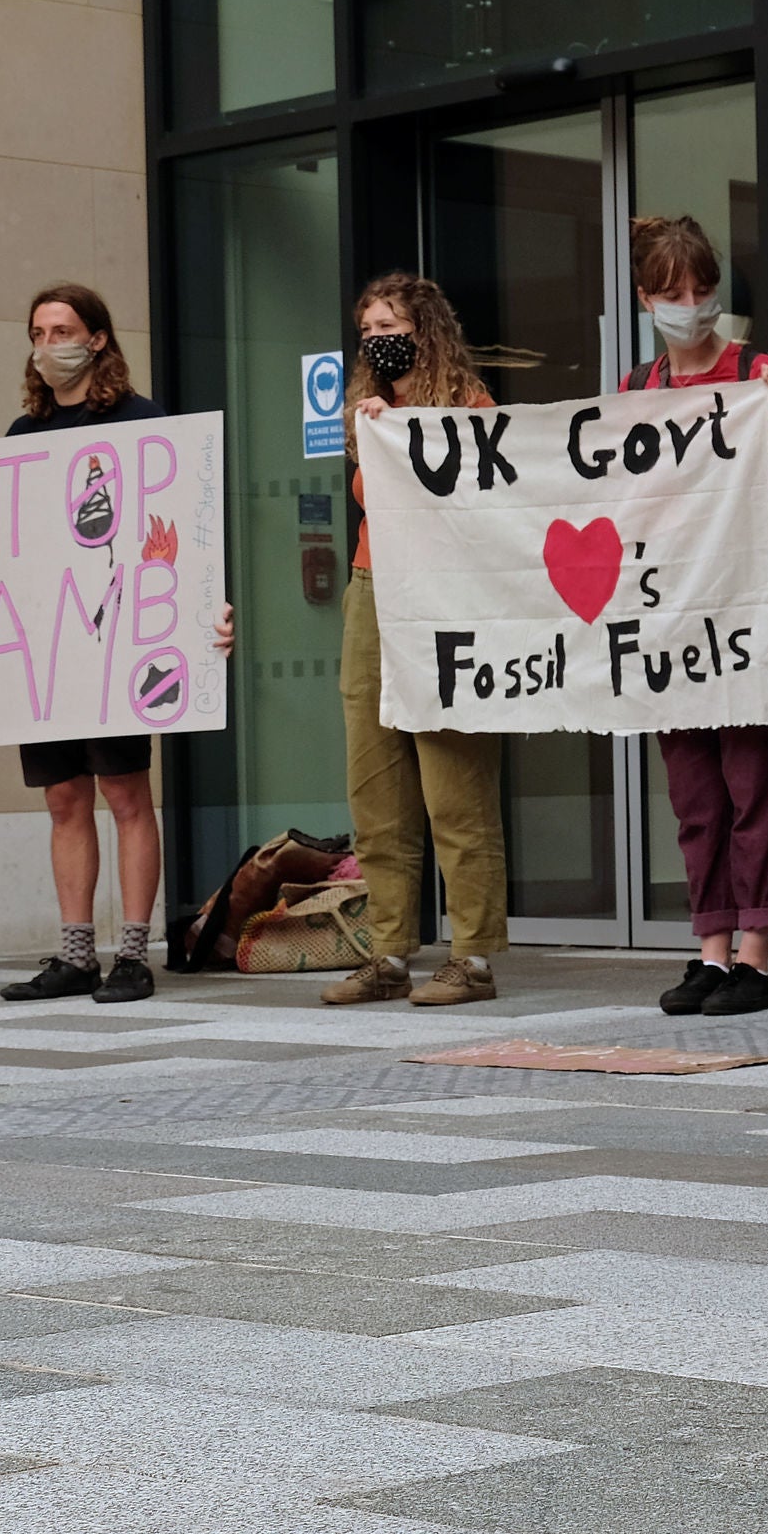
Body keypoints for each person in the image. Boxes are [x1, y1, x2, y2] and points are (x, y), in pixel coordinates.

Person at [0, 284, 230, 1006]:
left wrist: (206, 612)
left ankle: (135, 954)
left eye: (64, 329)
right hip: (48, 648)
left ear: (100, 339)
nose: (50, 344)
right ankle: (77, 954)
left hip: (116, 640)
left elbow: (182, 533)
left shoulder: (144, 423)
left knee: (125, 792)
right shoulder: (24, 434)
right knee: (64, 799)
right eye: (39, 332)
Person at [623, 215, 768, 1018]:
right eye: (671, 293)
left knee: (754, 779)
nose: (688, 305)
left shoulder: (755, 371)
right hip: (672, 618)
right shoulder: (635, 392)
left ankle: (757, 959)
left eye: (700, 290)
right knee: (696, 793)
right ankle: (710, 949)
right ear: (644, 297)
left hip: (746, 606)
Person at [325, 273, 512, 1008]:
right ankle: (390, 949)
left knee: (453, 780)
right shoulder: (370, 412)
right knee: (376, 780)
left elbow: (484, 497)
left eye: (391, 325)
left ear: (425, 330)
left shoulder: (468, 407)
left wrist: (407, 434)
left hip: (444, 596)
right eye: (368, 329)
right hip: (374, 589)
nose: (378, 339)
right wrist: (378, 428)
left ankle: (473, 955)